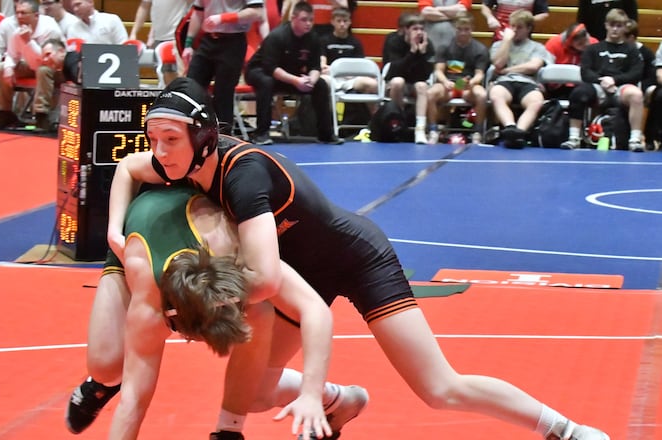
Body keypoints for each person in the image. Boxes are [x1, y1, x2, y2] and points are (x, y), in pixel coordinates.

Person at [108, 75, 612, 440]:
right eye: (155, 139)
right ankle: (340, 400)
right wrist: (113, 230)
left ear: (204, 138)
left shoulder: (243, 175)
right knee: (256, 392)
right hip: (304, 270)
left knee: (440, 388)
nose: (161, 153)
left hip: (356, 257)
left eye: (170, 140)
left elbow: (261, 279)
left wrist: (203, 298)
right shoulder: (175, 162)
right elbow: (127, 168)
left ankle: (567, 431)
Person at [99, 184, 368, 440]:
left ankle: (228, 430)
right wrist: (113, 229)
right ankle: (96, 383)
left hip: (317, 242)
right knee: (105, 366)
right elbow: (133, 400)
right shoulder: (147, 303)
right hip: (134, 231)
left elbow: (314, 309)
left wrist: (311, 393)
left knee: (259, 321)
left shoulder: (239, 254)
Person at [244, 1, 344, 145]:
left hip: (289, 74)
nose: (308, 23)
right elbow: (271, 68)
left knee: (321, 85)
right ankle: (261, 133)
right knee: (267, 82)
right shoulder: (277, 36)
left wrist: (311, 80)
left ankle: (326, 134)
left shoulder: (313, 38)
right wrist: (296, 81)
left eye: (311, 20)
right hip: (260, 71)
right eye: (304, 20)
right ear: (293, 18)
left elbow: (315, 66)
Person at [560, 8, 645, 152]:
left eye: (619, 26)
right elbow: (585, 72)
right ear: (606, 25)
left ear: (625, 27)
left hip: (620, 87)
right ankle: (574, 138)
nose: (615, 29)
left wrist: (614, 80)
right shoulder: (593, 48)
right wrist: (602, 81)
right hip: (598, 86)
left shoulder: (631, 50)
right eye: (612, 25)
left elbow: (636, 73)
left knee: (636, 95)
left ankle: (635, 139)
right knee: (578, 92)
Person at [181, 0, 265, 135]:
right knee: (192, 86)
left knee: (223, 93)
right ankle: (191, 132)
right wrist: (188, 44)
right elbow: (198, 12)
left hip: (232, 41)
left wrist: (223, 18)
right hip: (208, 40)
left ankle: (224, 138)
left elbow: (257, 13)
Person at [0, 0, 63, 131]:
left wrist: (29, 42)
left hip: (54, 67)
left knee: (43, 70)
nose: (19, 16)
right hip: (29, 65)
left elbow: (45, 60)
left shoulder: (50, 27)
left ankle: (41, 116)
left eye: (24, 13)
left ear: (36, 15)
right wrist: (9, 67)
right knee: (1, 68)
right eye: (17, 13)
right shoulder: (17, 31)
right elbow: (12, 54)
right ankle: (4, 114)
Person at [487, 9, 553, 149]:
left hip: (527, 81)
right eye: (513, 26)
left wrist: (507, 70)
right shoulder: (499, 45)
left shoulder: (537, 47)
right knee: (496, 94)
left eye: (520, 27)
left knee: (536, 101)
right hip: (505, 81)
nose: (515, 30)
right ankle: (510, 127)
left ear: (529, 28)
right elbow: (498, 64)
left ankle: (519, 132)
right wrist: (506, 40)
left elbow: (533, 66)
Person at [425, 12, 489, 144]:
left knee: (482, 95)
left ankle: (477, 132)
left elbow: (480, 74)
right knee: (430, 93)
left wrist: (473, 82)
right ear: (455, 29)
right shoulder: (444, 47)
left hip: (467, 86)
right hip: (448, 85)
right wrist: (444, 81)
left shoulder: (480, 49)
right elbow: (439, 70)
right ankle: (433, 130)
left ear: (472, 29)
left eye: (466, 29)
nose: (463, 33)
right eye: (460, 29)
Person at [381, 13, 436, 144]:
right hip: (396, 83)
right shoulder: (393, 41)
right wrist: (412, 52)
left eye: (422, 29)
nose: (419, 32)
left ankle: (420, 129)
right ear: (405, 30)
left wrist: (421, 54)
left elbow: (426, 75)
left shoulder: (427, 44)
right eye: (415, 29)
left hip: (415, 83)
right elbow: (393, 71)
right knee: (398, 82)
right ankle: (399, 123)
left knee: (422, 86)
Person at [543, 22, 598, 99]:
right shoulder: (553, 44)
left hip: (583, 88)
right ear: (570, 43)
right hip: (557, 87)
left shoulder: (594, 44)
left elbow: (596, 70)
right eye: (580, 44)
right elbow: (546, 69)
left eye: (586, 41)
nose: (585, 45)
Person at [480, 0, 548, 42]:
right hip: (500, 33)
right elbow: (485, 6)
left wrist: (525, 20)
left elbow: (543, 13)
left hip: (523, 35)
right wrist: (490, 18)